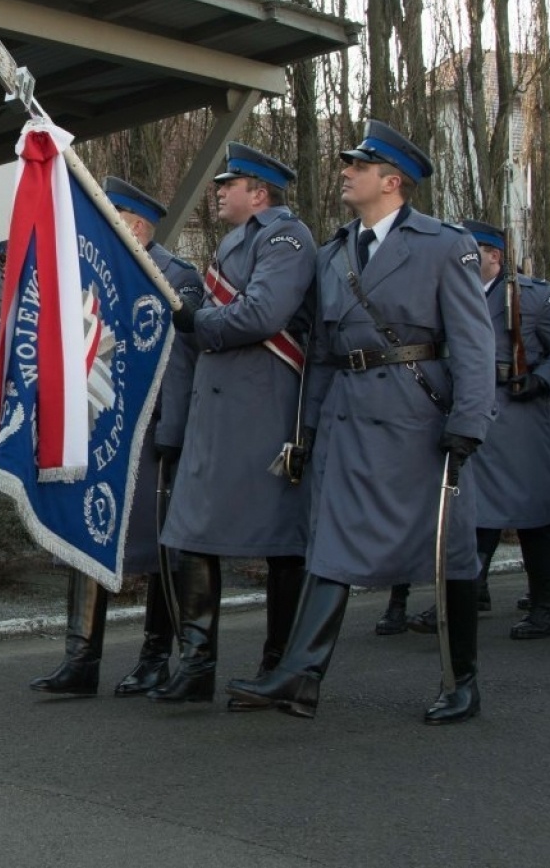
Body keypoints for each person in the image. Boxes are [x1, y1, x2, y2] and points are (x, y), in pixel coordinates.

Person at [224, 119, 497, 725]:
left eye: (357, 165)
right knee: (331, 544)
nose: (344, 172)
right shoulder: (333, 252)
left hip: (416, 417)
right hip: (347, 415)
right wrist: (312, 424)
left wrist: (470, 421)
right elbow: (323, 349)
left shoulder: (443, 246)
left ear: (391, 181)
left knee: (445, 549)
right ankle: (301, 675)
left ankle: (462, 680)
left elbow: (475, 345)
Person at [145, 146, 315, 706]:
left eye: (230, 183)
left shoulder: (286, 238)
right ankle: (197, 666)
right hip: (216, 412)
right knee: (188, 533)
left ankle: (279, 666)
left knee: (281, 541)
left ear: (259, 193)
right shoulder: (235, 241)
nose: (219, 191)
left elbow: (264, 314)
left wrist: (200, 319)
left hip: (261, 409)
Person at [30, 177, 202, 698]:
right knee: (87, 538)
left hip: (150, 436)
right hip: (98, 430)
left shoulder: (176, 276)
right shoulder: (94, 273)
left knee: (157, 552)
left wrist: (171, 432)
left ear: (135, 224)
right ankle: (80, 659)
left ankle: (154, 657)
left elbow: (178, 361)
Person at [392, 221, 550, 641]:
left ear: (494, 256)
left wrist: (543, 379)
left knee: (534, 516)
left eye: (472, 250)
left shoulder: (530, 296)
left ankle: (543, 604)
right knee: (472, 511)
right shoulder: (445, 293)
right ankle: (469, 592)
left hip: (520, 413)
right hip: (468, 408)